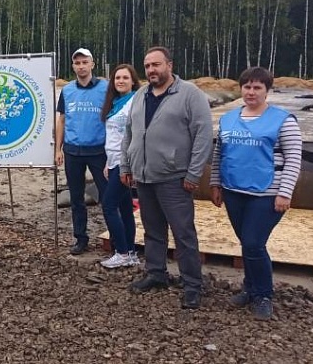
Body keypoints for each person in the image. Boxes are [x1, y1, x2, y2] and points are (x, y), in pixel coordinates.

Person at [120, 46, 212, 309]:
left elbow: (203, 135)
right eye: (147, 66)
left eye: (156, 65)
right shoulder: (140, 95)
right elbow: (130, 133)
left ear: (169, 65)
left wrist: (194, 173)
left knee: (183, 233)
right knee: (152, 230)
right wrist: (126, 166)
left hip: (175, 178)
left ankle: (192, 284)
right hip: (144, 176)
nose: (151, 70)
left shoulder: (190, 94)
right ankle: (156, 273)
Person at [210, 67, 302, 320]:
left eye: (257, 87)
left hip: (267, 193)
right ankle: (250, 289)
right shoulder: (228, 119)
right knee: (247, 243)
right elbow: (219, 155)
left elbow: (294, 159)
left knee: (253, 242)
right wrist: (215, 184)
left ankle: (263, 294)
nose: (251, 92)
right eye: (247, 87)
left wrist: (285, 193)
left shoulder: (283, 121)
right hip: (233, 190)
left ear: (267, 90)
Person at [55, 48, 109, 255]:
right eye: (77, 63)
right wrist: (58, 149)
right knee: (76, 198)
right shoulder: (67, 90)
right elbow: (61, 120)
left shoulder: (105, 88)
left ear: (92, 64)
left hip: (99, 151)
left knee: (107, 196)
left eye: (85, 62)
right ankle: (80, 238)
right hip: (73, 151)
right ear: (73, 66)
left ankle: (115, 236)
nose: (81, 66)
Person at [99, 64, 141, 269]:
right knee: (125, 208)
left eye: (125, 77)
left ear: (133, 81)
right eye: (117, 78)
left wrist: (129, 166)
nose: (121, 81)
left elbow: (136, 135)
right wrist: (108, 163)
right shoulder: (114, 103)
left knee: (108, 205)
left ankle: (121, 252)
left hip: (126, 163)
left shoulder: (136, 102)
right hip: (113, 160)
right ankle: (130, 252)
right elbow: (113, 136)